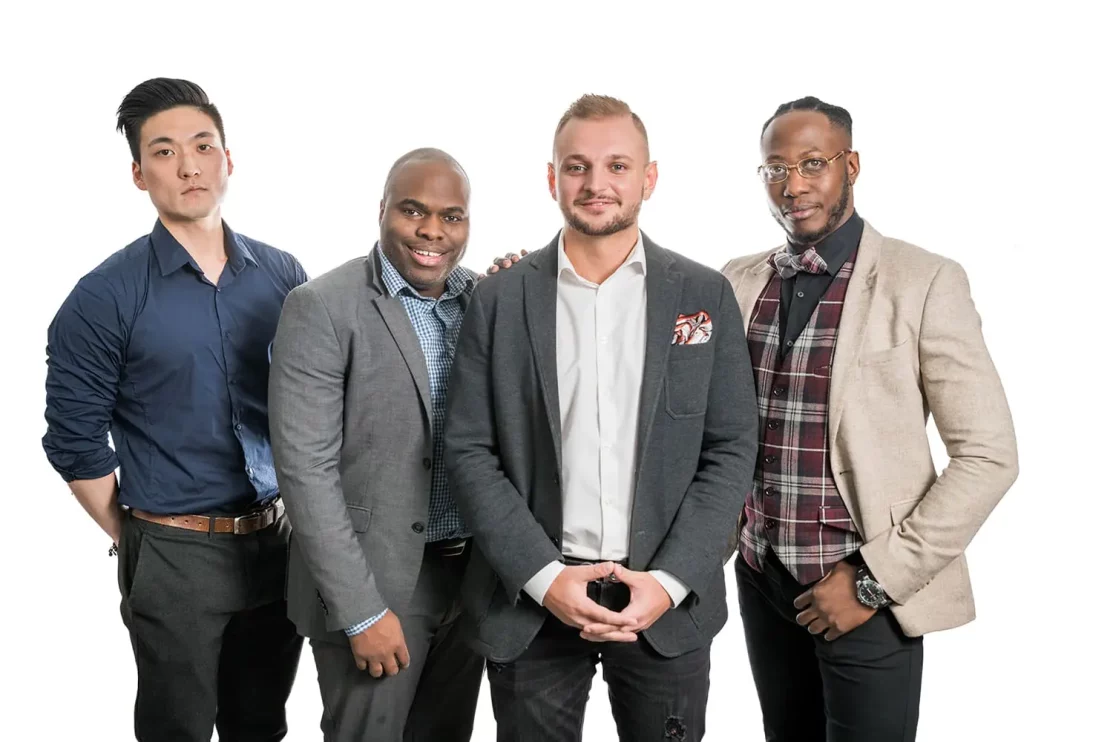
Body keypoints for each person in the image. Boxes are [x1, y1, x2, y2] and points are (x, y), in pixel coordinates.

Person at [444, 94, 758, 742]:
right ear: (552, 178)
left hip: (662, 604)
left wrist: (667, 582)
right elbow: (469, 450)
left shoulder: (702, 295)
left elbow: (729, 448)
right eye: (578, 166)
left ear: (648, 177)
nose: (596, 184)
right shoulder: (499, 299)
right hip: (532, 605)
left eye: (617, 165)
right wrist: (545, 578)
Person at [719, 96, 1020, 741]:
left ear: (850, 165)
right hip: (762, 580)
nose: (792, 185)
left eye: (812, 163)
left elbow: (989, 455)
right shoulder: (737, 282)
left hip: (867, 595)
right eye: (775, 168)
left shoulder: (924, 281)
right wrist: (535, 287)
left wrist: (872, 582)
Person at [42, 77, 305, 741]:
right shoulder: (103, 297)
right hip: (173, 551)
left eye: (202, 145)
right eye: (163, 152)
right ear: (138, 174)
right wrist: (138, 540)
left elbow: (321, 402)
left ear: (228, 159)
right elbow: (74, 442)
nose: (188, 165)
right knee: (176, 730)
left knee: (261, 726)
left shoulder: (284, 276)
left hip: (276, 543)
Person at [269, 148, 485, 741]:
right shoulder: (322, 307)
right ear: (382, 211)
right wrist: (361, 611)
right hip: (374, 583)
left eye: (452, 216)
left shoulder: (480, 300)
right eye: (413, 211)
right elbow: (305, 471)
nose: (432, 231)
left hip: (468, 577)